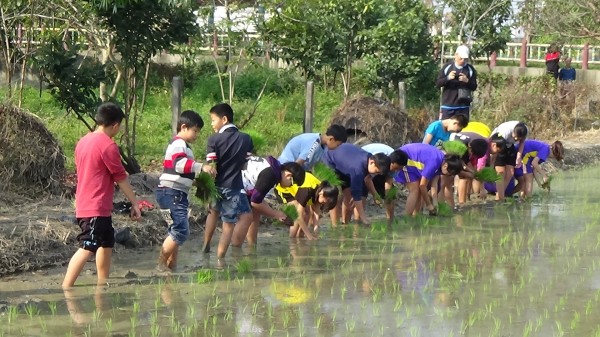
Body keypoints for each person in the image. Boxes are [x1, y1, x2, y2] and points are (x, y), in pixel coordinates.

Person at [62, 103, 141, 288]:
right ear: (114, 125)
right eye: (119, 126)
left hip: (88, 203)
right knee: (87, 246)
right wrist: (135, 203)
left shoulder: (83, 141)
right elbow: (121, 178)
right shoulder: (108, 146)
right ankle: (66, 288)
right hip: (95, 205)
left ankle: (102, 283)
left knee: (106, 242)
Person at [155, 110, 216, 272]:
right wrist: (201, 166)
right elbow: (179, 165)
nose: (197, 135)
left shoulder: (180, 145)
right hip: (173, 193)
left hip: (170, 192)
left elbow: (180, 171)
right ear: (184, 127)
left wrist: (197, 182)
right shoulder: (179, 144)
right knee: (181, 231)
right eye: (195, 131)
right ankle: (161, 263)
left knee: (174, 230)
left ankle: (171, 266)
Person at [202, 103, 254, 258]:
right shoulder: (246, 139)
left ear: (224, 119)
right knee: (228, 224)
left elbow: (211, 166)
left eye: (213, 120)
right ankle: (220, 260)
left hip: (216, 186)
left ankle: (206, 246)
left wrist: (206, 189)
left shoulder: (214, 139)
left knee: (213, 212)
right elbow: (246, 162)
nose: (212, 124)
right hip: (234, 186)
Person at [241, 156, 306, 245]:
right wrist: (276, 214)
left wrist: (276, 214)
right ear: (288, 175)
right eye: (291, 184)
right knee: (244, 218)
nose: (289, 187)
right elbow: (255, 202)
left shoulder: (275, 167)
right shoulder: (271, 175)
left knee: (255, 212)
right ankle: (236, 249)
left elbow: (257, 201)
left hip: (242, 180)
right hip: (235, 184)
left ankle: (251, 246)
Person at [323, 143, 391, 226]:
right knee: (334, 193)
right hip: (330, 161)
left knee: (348, 194)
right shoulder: (358, 170)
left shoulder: (369, 158)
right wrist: (364, 219)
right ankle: (335, 226)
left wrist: (375, 195)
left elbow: (368, 179)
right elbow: (357, 195)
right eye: (377, 172)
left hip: (346, 164)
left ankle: (345, 224)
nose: (376, 175)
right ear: (372, 162)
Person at [393, 143, 463, 216]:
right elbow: (422, 185)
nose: (448, 175)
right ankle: (407, 217)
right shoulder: (435, 162)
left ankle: (416, 216)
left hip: (413, 163)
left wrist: (435, 203)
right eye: (449, 173)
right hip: (404, 159)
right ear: (445, 166)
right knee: (415, 189)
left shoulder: (441, 162)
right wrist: (429, 205)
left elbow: (434, 184)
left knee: (419, 191)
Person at [275, 173, 339, 239]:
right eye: (327, 200)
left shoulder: (321, 188)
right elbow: (298, 216)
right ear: (322, 193)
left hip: (298, 190)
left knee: (308, 213)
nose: (325, 203)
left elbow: (316, 212)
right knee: (297, 213)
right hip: (284, 189)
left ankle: (300, 237)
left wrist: (315, 230)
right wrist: (309, 235)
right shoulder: (307, 190)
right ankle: (292, 239)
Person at [361, 143, 407, 223]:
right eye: (395, 168)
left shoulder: (395, 164)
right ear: (391, 163)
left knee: (391, 195)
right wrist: (376, 196)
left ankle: (390, 221)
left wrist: (387, 196)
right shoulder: (381, 161)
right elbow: (367, 179)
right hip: (366, 165)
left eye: (399, 169)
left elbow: (388, 181)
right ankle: (357, 222)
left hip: (380, 170)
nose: (396, 171)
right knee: (361, 195)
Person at [435, 45, 478, 121]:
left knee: (462, 130)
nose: (463, 61)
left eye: (465, 59)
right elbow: (438, 83)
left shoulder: (470, 69)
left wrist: (467, 81)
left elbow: (474, 87)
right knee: (445, 128)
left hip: (463, 107)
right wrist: (448, 78)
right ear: (456, 55)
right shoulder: (447, 67)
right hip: (448, 106)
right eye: (461, 58)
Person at [278, 125, 347, 170]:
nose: (337, 148)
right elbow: (297, 165)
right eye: (337, 145)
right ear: (331, 139)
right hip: (285, 168)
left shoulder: (322, 146)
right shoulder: (314, 144)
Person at [490, 121, 528, 201]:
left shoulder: (525, 130)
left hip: (510, 146)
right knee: (501, 172)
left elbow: (522, 143)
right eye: (515, 136)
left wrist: (518, 156)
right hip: (498, 144)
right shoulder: (505, 131)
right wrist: (492, 160)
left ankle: (500, 194)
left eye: (518, 138)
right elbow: (495, 145)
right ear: (513, 131)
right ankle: (499, 197)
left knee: (510, 173)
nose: (516, 139)